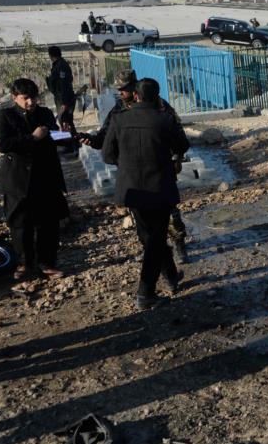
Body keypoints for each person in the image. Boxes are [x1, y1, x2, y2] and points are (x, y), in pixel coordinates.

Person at [80, 69, 191, 264]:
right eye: (119, 90)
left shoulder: (159, 105)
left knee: (170, 215)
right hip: (134, 174)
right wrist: (89, 140)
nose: (121, 93)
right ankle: (152, 251)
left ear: (135, 89)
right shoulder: (119, 110)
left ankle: (179, 245)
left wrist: (177, 159)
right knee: (142, 220)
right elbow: (104, 139)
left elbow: (177, 135)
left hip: (159, 170)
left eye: (124, 89)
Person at [102, 78, 190, 310]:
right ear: (157, 96)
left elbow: (108, 156)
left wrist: (129, 164)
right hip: (159, 188)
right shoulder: (165, 119)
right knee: (154, 240)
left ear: (137, 96)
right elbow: (182, 146)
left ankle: (170, 277)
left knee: (150, 238)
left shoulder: (119, 119)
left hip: (132, 190)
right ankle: (145, 293)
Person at [0, 78, 68, 280]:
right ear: (15, 98)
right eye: (25, 98)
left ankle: (47, 263)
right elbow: (3, 144)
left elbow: (53, 135)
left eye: (33, 98)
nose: (30, 102)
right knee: (20, 224)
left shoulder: (44, 113)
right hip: (18, 179)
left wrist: (65, 135)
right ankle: (25, 263)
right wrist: (32, 138)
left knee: (48, 223)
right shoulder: (6, 116)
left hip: (45, 176)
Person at [46, 46, 76, 133]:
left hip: (63, 98)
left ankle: (72, 142)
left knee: (65, 121)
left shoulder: (61, 66)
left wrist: (64, 102)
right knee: (65, 121)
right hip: (61, 98)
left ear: (51, 56)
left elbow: (64, 84)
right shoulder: (59, 65)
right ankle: (72, 141)